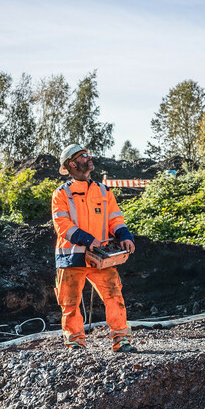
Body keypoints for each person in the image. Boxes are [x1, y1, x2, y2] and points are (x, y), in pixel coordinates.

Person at [52, 144, 137, 352]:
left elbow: (115, 218)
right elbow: (62, 225)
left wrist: (124, 235)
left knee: (114, 295)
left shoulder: (103, 190)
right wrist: (87, 239)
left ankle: (121, 340)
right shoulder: (61, 194)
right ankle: (75, 342)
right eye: (84, 156)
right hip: (72, 256)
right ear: (72, 164)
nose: (89, 158)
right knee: (70, 302)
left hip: (100, 256)